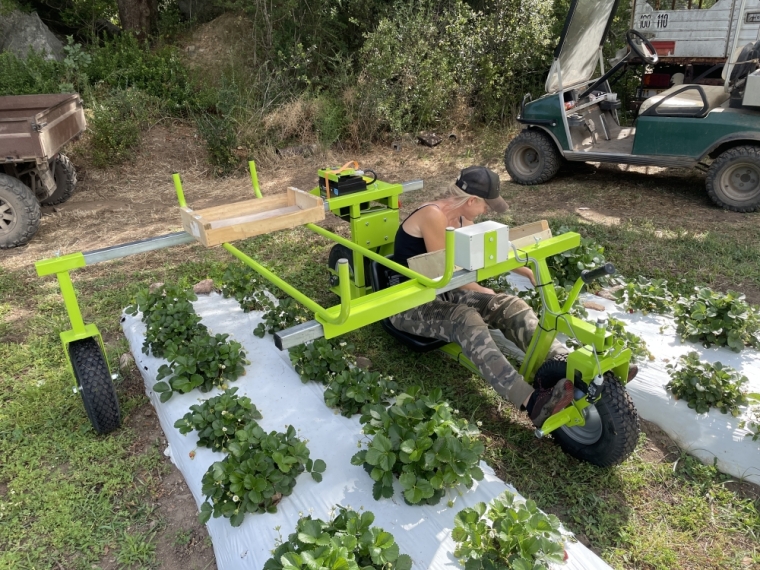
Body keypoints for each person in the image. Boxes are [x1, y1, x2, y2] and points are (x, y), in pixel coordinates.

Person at [390, 166, 575, 428]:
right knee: (466, 319)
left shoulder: (464, 220)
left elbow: (490, 251)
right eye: (486, 205)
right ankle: (532, 402)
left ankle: (564, 363)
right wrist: (482, 290)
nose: (487, 211)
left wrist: (530, 270)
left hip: (444, 292)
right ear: (471, 200)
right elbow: (447, 274)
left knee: (511, 305)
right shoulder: (433, 216)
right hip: (410, 301)